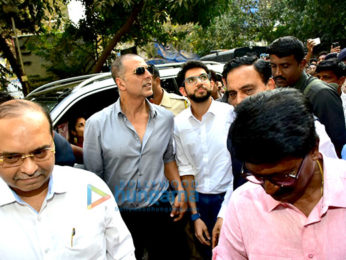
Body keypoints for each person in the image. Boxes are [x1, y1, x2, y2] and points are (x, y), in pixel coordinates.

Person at [212, 55, 338, 249]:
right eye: (232, 94)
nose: (239, 101)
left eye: (248, 90)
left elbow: (329, 182)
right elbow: (237, 179)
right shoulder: (236, 134)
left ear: (270, 85)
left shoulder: (309, 131)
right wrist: (227, 212)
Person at [0, 99, 135, 259]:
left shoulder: (90, 187)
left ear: (52, 140)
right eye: (12, 157)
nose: (30, 169)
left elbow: (122, 252)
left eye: (40, 152)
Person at [83, 54, 187, 260]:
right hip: (120, 215)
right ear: (120, 82)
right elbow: (94, 177)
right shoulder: (97, 124)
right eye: (140, 71)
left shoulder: (165, 118)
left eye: (148, 69)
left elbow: (168, 158)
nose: (148, 75)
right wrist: (99, 219)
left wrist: (181, 191)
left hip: (160, 208)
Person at [174, 61, 234, 259]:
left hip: (231, 197)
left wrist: (225, 211)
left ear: (212, 83)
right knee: (209, 254)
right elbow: (186, 170)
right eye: (192, 80)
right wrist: (195, 215)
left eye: (203, 78)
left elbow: (240, 165)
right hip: (200, 202)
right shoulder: (178, 124)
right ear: (183, 90)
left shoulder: (230, 115)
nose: (199, 83)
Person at [268, 36, 346, 157]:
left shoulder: (321, 94)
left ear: (302, 64)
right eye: (273, 66)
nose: (278, 73)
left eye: (285, 66)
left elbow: (337, 146)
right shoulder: (277, 91)